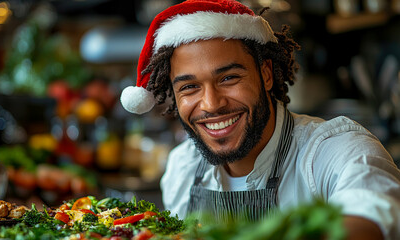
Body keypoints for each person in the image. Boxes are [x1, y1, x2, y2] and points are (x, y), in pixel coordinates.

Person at [120, 0, 400, 239]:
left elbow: (372, 213)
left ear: (265, 74)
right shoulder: (182, 168)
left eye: (228, 78)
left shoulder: (333, 151)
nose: (211, 104)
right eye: (189, 87)